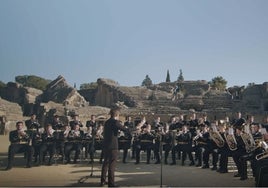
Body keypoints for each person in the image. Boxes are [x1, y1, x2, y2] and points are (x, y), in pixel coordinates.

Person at [100, 108, 128, 187]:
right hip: (113, 146)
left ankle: (102, 181)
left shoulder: (107, 122)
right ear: (117, 115)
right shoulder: (115, 122)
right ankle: (111, 183)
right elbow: (124, 129)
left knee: (105, 163)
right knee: (112, 165)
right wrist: (135, 128)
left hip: (106, 145)